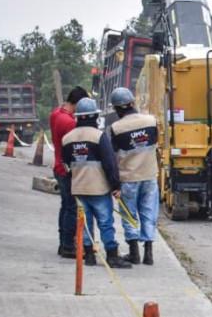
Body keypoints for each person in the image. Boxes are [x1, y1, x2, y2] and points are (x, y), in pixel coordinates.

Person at [61, 98, 131, 269]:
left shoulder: (67, 139)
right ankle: (112, 256)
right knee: (105, 222)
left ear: (78, 117)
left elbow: (66, 164)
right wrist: (115, 185)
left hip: (79, 189)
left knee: (85, 223)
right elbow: (109, 163)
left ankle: (89, 256)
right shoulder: (99, 136)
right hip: (99, 189)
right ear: (94, 116)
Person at [108, 87, 160, 266]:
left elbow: (113, 157)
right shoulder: (151, 121)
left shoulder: (116, 128)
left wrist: (113, 183)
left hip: (128, 179)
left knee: (129, 214)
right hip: (150, 176)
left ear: (116, 108)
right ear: (132, 103)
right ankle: (149, 254)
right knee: (149, 213)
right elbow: (155, 144)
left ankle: (134, 253)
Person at [50, 87, 89, 258]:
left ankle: (63, 243)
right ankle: (68, 246)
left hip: (58, 166)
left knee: (65, 206)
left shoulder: (56, 113)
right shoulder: (69, 123)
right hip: (67, 170)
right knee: (72, 208)